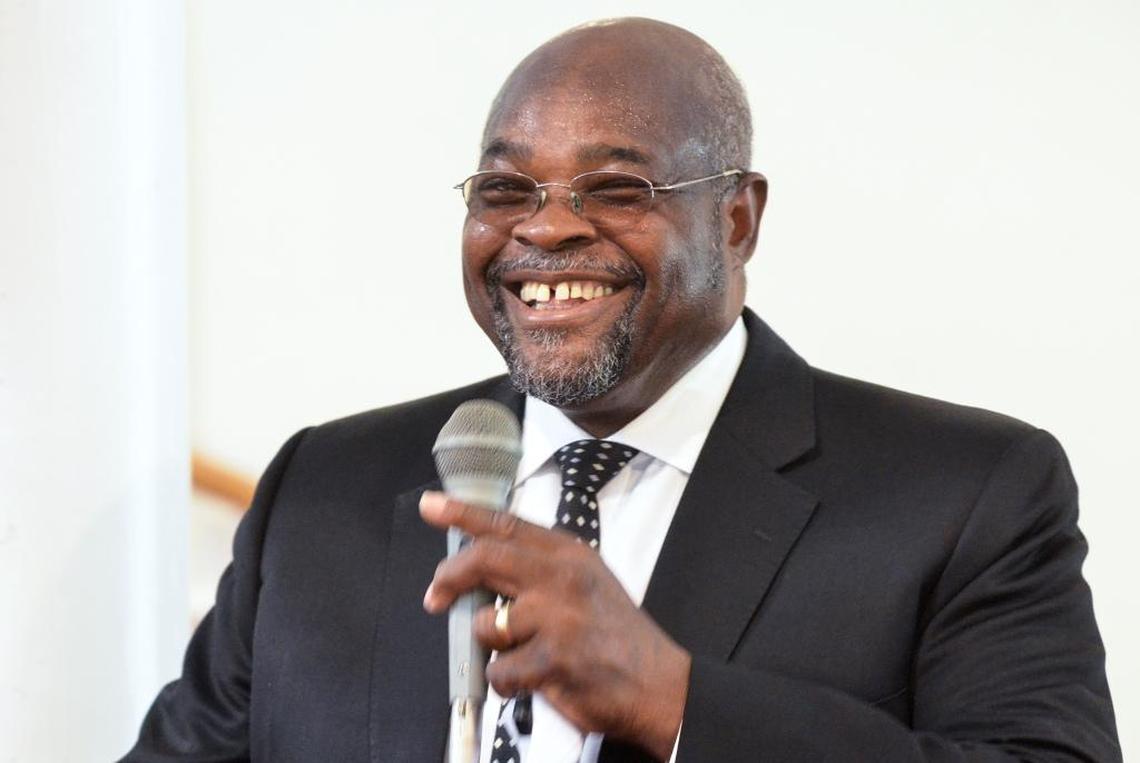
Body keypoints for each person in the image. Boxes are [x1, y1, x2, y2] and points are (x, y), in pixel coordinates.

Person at [122, 18, 1120, 763]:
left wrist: (678, 701)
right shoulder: (323, 489)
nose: (545, 231)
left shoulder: (969, 493)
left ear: (737, 221)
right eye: (506, 190)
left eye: (615, 189)